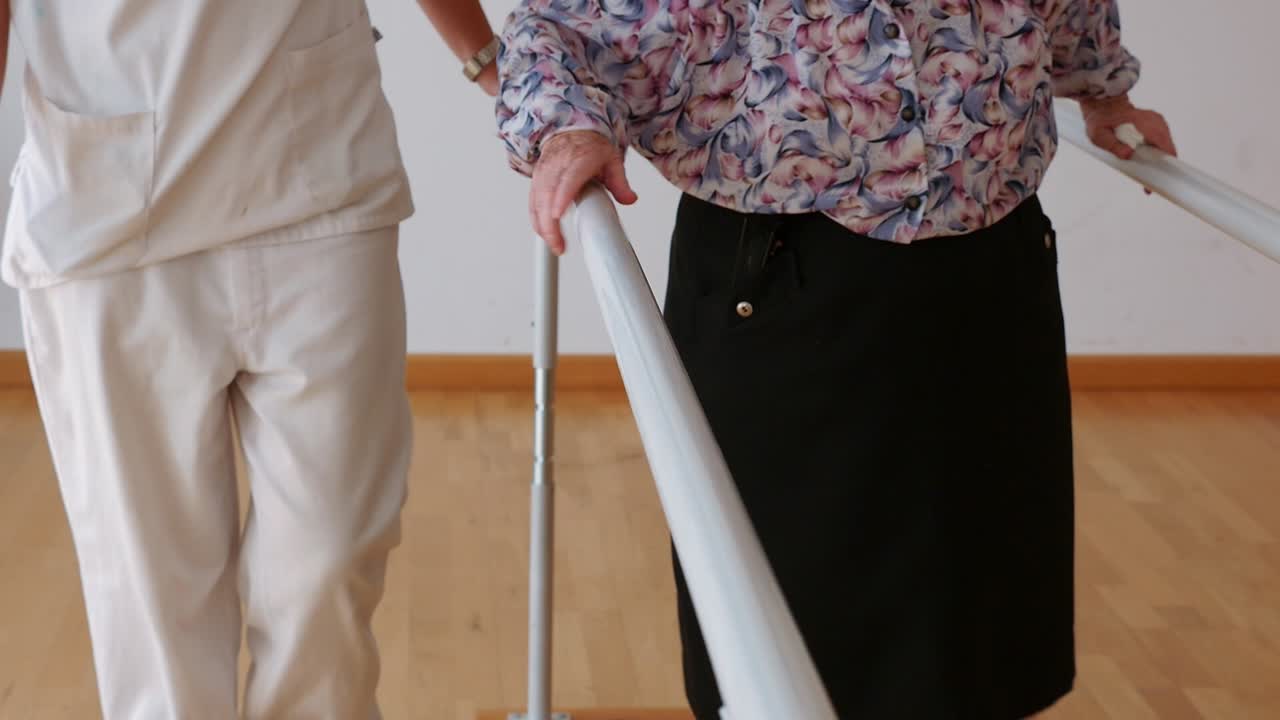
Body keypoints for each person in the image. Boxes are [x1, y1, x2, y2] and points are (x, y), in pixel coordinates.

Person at [495, 1, 1176, 718]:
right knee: (790, 645)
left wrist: (1109, 97)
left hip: (991, 274)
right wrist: (565, 127)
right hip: (784, 283)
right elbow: (554, 26)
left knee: (980, 642)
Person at [0, 0, 499, 717]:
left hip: (317, 180)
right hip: (100, 212)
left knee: (330, 566)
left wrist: (487, 59)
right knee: (152, 602)